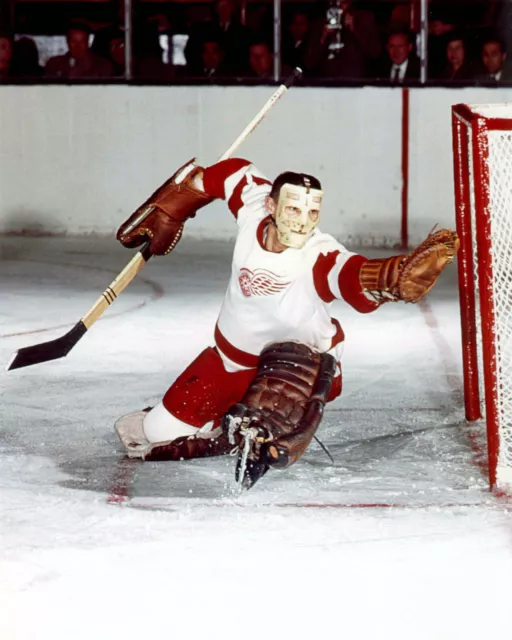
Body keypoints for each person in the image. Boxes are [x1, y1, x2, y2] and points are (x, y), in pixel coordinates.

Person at [114, 158, 459, 488]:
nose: (302, 221)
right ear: (270, 206)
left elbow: (349, 274)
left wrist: (389, 277)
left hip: (296, 365)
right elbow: (234, 171)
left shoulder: (317, 253)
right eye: (293, 209)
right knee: (156, 432)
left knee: (260, 426)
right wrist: (179, 201)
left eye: (312, 212)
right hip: (231, 358)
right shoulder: (252, 212)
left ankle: (247, 428)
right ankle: (222, 429)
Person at [45, 21, 113, 79]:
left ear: (87, 42)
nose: (78, 46)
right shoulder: (54, 64)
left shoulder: (102, 65)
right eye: (74, 41)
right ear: (67, 42)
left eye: (82, 41)